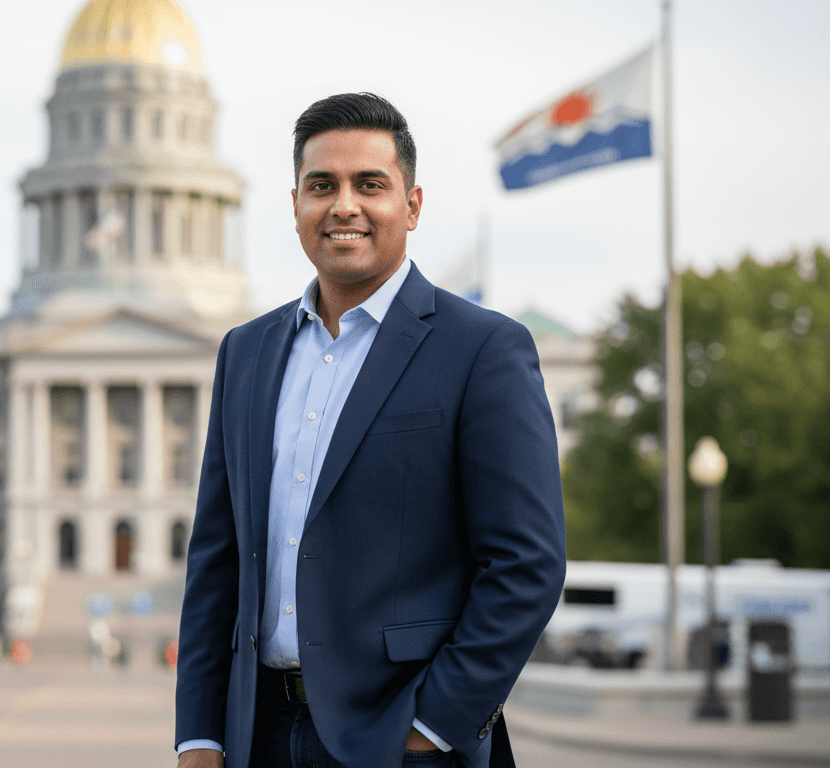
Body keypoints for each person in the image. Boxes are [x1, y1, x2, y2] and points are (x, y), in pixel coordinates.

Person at [174, 93, 566, 768]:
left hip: (399, 738)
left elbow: (527, 565)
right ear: (296, 203)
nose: (343, 206)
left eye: (370, 185)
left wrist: (433, 727)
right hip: (255, 736)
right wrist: (200, 735)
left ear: (411, 206)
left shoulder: (482, 349)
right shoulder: (246, 351)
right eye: (321, 185)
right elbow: (218, 559)